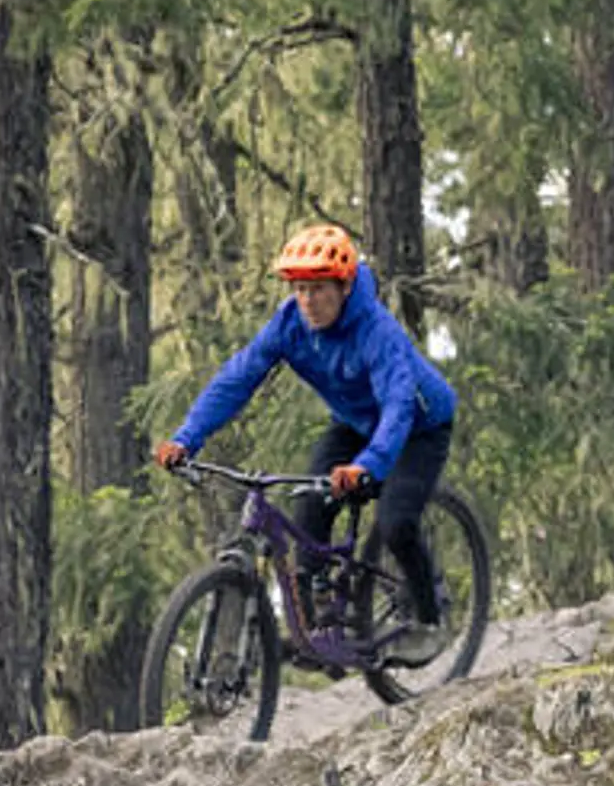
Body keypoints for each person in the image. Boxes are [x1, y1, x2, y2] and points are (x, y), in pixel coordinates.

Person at [152, 222, 459, 661]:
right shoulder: (290, 323)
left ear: (345, 285)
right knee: (309, 503)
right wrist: (186, 439)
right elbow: (237, 379)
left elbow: (397, 406)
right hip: (354, 422)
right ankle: (315, 621)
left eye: (318, 290)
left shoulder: (376, 330)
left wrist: (368, 466)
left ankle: (429, 619)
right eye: (299, 290)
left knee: (395, 522)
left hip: (417, 428)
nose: (308, 302)